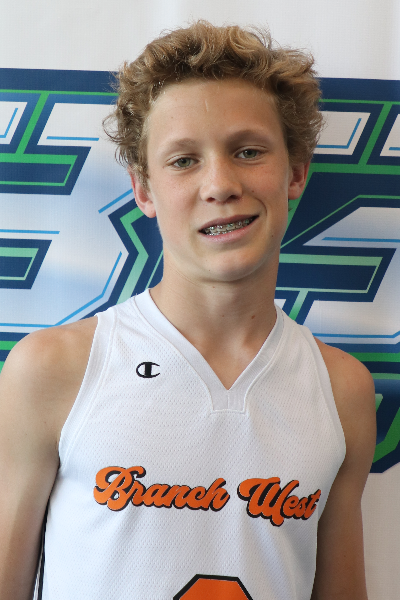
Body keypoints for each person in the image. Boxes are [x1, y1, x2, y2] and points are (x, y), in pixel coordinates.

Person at [0, 21, 376, 600]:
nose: (220, 184)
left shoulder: (342, 389)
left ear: (296, 171)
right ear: (144, 190)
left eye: (248, 151)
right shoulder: (54, 368)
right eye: (183, 160)